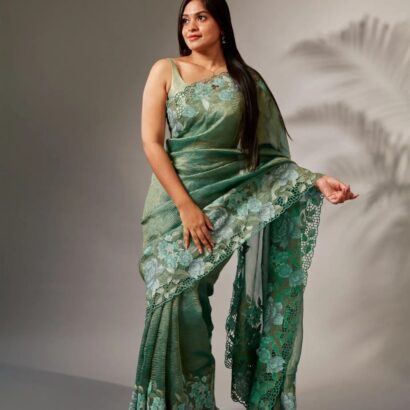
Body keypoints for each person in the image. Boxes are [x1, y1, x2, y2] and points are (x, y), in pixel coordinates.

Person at [128, 0, 358, 409]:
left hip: (227, 202)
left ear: (222, 25)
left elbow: (270, 159)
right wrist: (185, 206)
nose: (190, 27)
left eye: (201, 17)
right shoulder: (165, 70)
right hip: (173, 203)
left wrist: (316, 180)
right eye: (185, 20)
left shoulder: (248, 82)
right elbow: (152, 143)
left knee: (191, 305)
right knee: (173, 302)